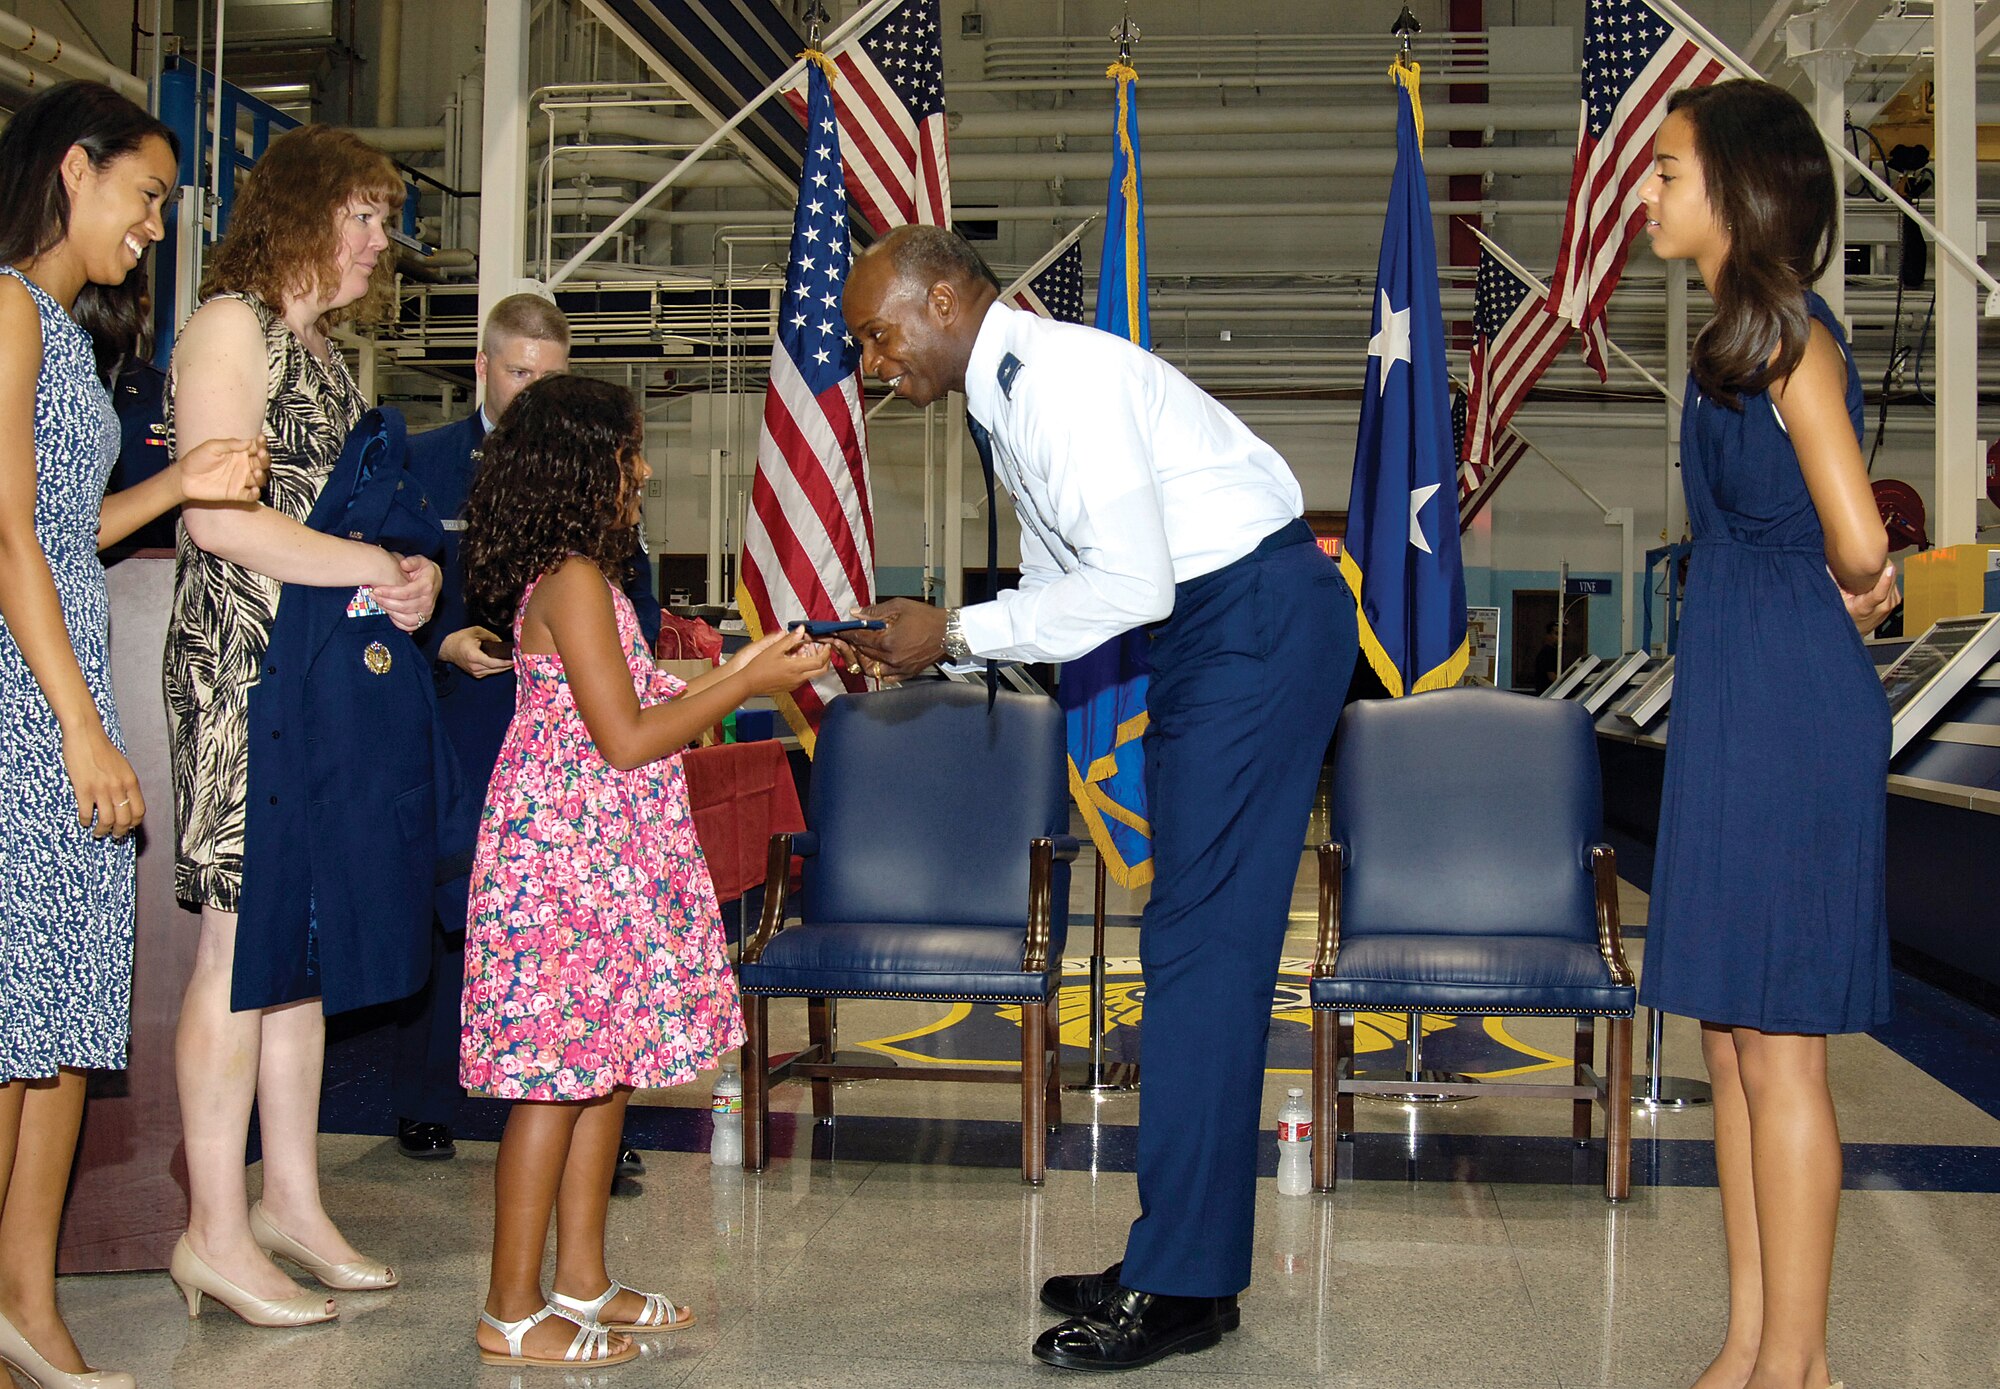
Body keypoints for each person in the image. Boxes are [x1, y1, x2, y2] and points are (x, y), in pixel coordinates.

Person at [840, 225, 1359, 1373]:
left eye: (877, 336)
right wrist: (946, 636)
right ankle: (1189, 1260)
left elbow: (1128, 581)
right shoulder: (1007, 393)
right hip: (1212, 632)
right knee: (1192, 950)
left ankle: (1178, 1281)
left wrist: (958, 632)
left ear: (939, 300)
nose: (875, 365)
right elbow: (1068, 577)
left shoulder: (1055, 383)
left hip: (1246, 625)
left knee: (1199, 954)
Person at [457, 374, 826, 1368]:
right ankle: (508, 1308)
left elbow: (652, 692)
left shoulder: (593, 584)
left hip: (603, 857)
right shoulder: (572, 583)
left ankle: (579, 1277)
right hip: (565, 863)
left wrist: (754, 665)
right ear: (583, 469)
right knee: (555, 1079)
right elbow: (626, 737)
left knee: (603, 1067)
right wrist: (745, 681)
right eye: (629, 456)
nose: (645, 471)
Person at [0, 81, 267, 1389]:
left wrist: (176, 482)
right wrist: (78, 731)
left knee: (55, 1028)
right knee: (9, 1022)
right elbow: (5, 539)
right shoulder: (0, 307)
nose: (157, 225)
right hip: (26, 702)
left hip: (63, 693)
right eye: (148, 195)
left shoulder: (55, 326)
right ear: (73, 169)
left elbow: (64, 529)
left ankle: (28, 1307)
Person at [1636, 80, 1900, 1389]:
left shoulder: (1795, 339)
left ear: (1737, 189)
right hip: (1743, 692)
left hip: (1790, 706)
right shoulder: (1734, 342)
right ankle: (1747, 1342)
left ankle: (1801, 1365)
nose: (1649, 193)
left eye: (1670, 171)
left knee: (1782, 1045)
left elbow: (1860, 538)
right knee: (1729, 1039)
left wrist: (1864, 577)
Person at [163, 124, 440, 1328]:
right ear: (309, 213)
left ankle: (292, 1202)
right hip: (244, 672)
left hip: (317, 670)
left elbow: (339, 536)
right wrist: (369, 558)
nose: (385, 240)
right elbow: (218, 521)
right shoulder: (230, 325)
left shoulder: (323, 354)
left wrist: (407, 579)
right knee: (240, 948)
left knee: (300, 959)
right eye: (369, 216)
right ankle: (212, 1231)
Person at [395, 293, 661, 1165]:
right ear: (483, 366)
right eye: (520, 373)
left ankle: (588, 1103)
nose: (535, 389)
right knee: (454, 898)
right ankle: (434, 1089)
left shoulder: (588, 485)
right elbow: (386, 586)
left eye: (551, 376)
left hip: (575, 735)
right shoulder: (429, 462)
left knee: (568, 945)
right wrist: (442, 639)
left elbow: (637, 605)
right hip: (466, 715)